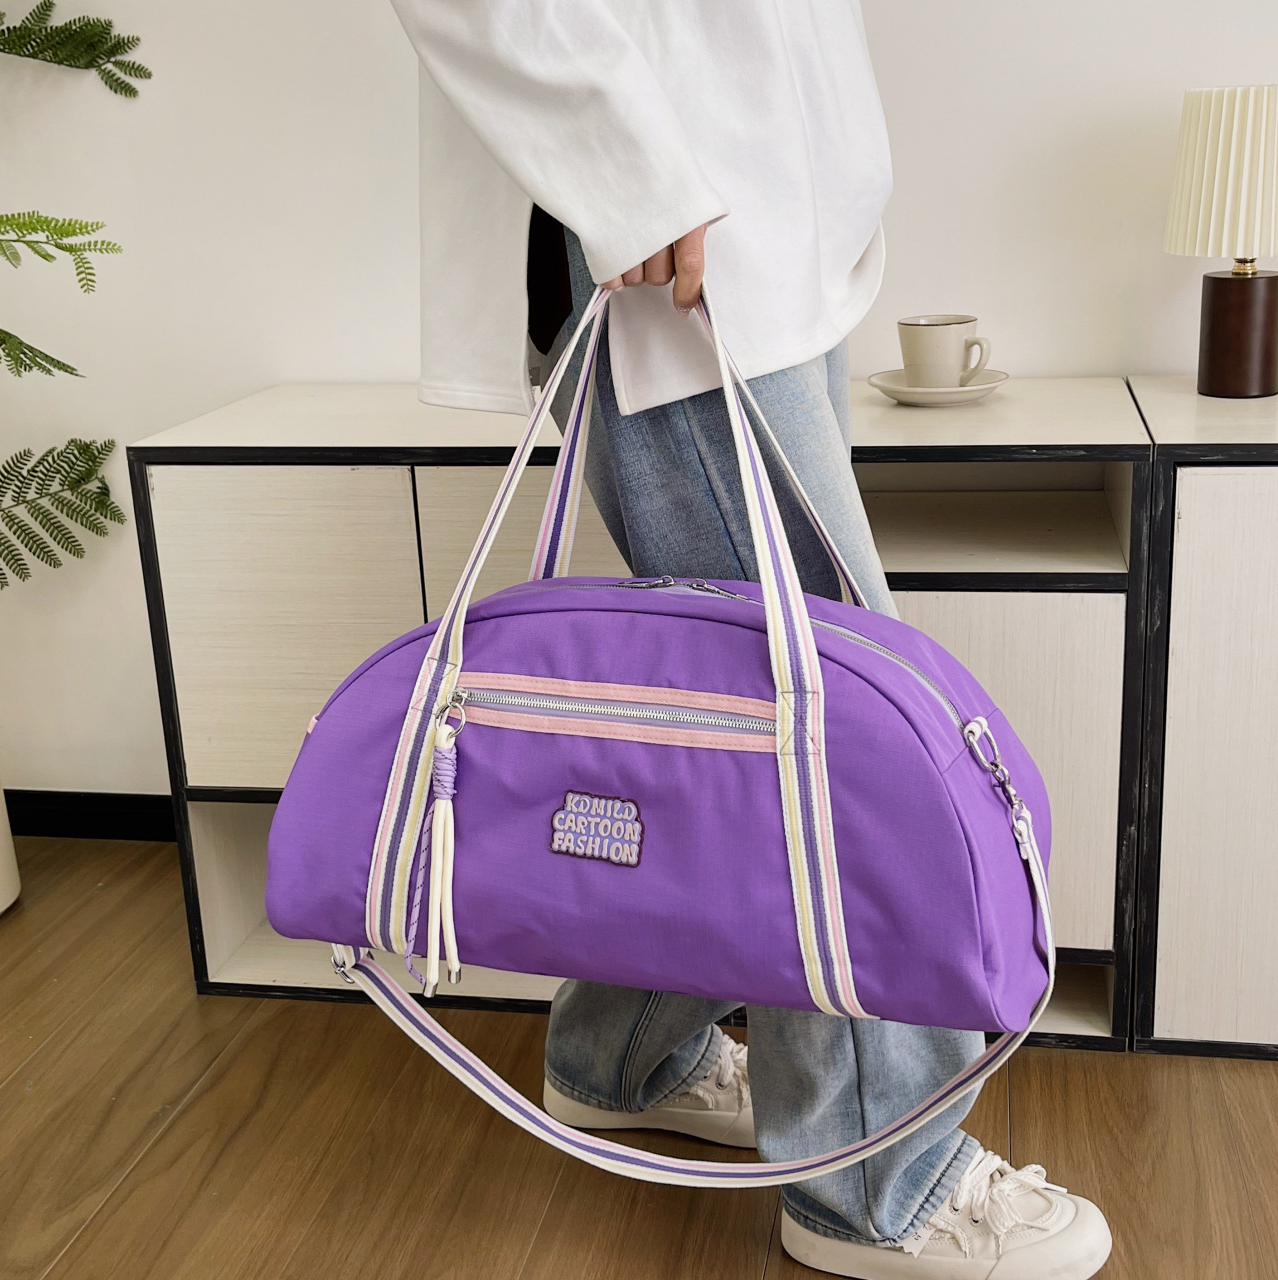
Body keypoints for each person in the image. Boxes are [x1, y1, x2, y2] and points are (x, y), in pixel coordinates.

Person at [388, 5, 1112, 1276]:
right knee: (839, 724)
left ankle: (619, 1055)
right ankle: (876, 1182)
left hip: (759, 227)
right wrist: (623, 166)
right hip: (667, 227)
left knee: (737, 718)